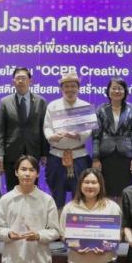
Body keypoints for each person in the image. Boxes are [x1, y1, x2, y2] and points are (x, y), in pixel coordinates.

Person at [43, 71, 93, 209]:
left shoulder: (85, 106)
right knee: (57, 194)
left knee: (80, 194)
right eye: (66, 86)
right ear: (61, 88)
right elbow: (47, 127)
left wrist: (78, 135)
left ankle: (78, 220)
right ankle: (57, 221)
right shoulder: (53, 106)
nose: (70, 89)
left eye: (73, 86)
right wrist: (51, 137)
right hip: (56, 156)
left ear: (78, 88)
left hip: (79, 157)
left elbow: (88, 130)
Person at [0, 67, 48, 190]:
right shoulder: (5, 102)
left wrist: (44, 153)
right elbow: (0, 131)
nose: (20, 81)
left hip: (33, 152)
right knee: (12, 189)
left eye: (23, 78)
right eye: (18, 78)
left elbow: (43, 129)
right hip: (11, 154)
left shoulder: (41, 101)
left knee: (32, 189)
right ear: (13, 81)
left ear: (30, 81)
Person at [92, 77, 132, 200]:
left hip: (125, 156)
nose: (117, 91)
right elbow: (96, 136)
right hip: (105, 156)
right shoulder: (101, 109)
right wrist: (95, 158)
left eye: (120, 88)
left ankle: (122, 212)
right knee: (105, 191)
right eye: (114, 88)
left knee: (124, 192)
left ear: (125, 91)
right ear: (108, 91)